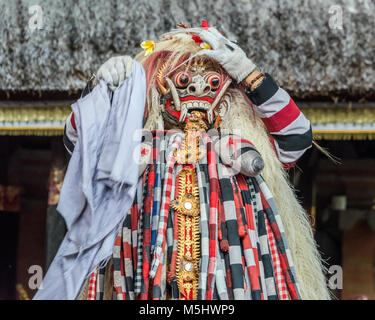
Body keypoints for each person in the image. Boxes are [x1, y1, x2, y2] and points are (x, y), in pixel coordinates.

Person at [60, 22, 329, 300]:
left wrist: (250, 76)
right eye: (183, 82)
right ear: (160, 95)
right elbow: (80, 147)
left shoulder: (238, 148)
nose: (198, 92)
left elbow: (297, 138)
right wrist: (101, 90)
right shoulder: (142, 148)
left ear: (226, 101)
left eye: (212, 84)